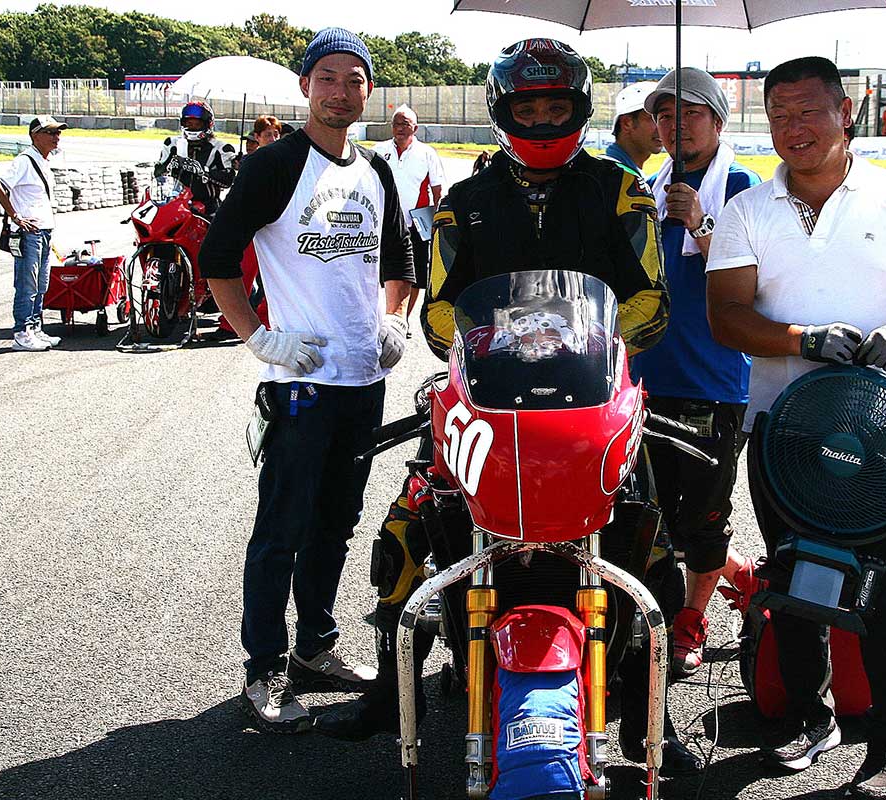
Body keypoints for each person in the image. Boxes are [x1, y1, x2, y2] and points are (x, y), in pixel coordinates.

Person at [314, 36, 697, 778]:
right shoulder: (464, 201)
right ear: (503, 110)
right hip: (484, 401)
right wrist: (507, 335)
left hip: (594, 403)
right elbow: (439, 311)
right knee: (405, 533)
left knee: (653, 546)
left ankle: (648, 715)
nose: (544, 118)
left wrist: (583, 337)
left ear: (578, 110)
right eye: (529, 107)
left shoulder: (622, 191)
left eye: (556, 106)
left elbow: (651, 299)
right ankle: (393, 694)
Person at [705, 57, 886, 799]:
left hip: (884, 439)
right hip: (784, 432)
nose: (792, 128)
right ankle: (809, 716)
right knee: (793, 579)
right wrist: (802, 339)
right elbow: (726, 316)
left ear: (847, 112)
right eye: (778, 114)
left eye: (808, 111)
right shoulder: (747, 209)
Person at [198, 26, 415, 734]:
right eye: (327, 78)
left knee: (336, 526)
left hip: (363, 379)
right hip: (301, 381)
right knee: (281, 530)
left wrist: (393, 320)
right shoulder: (276, 164)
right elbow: (217, 257)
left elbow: (401, 261)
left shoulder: (376, 169)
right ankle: (263, 667)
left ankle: (314, 650)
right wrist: (258, 336)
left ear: (369, 91)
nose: (340, 91)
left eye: (355, 80)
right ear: (305, 87)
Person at [630, 68, 759, 679]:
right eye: (663, 116)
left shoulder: (742, 185)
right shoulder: (648, 186)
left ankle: (691, 619)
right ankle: (735, 580)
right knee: (644, 514)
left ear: (718, 120)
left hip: (712, 377)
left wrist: (702, 224)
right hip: (642, 374)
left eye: (690, 113)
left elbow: (755, 279)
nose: (675, 126)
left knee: (702, 518)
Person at [0, 115, 66, 352]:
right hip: (28, 233)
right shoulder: (25, 160)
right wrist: (16, 216)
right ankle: (22, 333)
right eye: (50, 132)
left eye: (58, 132)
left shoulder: (43, 160)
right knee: (27, 284)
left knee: (41, 284)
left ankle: (35, 328)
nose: (56, 137)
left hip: (43, 229)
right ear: (35, 135)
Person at [373, 104, 445, 336]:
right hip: (384, 223)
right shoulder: (378, 151)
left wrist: (436, 222)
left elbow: (438, 190)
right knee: (380, 273)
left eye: (405, 124)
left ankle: (401, 320)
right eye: (396, 123)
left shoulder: (427, 153)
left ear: (415, 128)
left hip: (416, 224)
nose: (400, 128)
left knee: (414, 275)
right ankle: (382, 316)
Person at [154, 100, 237, 216]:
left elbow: (228, 180)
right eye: (189, 124)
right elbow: (158, 173)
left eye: (197, 124)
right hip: (176, 204)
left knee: (219, 224)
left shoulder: (221, 148)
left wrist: (203, 171)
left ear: (207, 124)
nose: (192, 127)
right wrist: (167, 166)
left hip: (208, 207)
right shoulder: (172, 144)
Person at [605, 80, 661, 175]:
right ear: (627, 123)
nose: (662, 127)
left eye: (665, 117)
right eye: (654, 118)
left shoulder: (624, 173)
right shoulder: (612, 176)